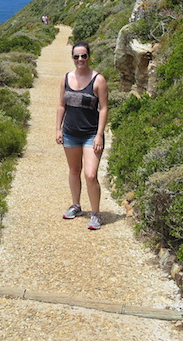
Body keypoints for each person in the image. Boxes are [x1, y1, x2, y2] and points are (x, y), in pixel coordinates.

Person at [55, 41, 109, 230]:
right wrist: (58, 129)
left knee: (90, 174)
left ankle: (95, 214)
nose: (80, 59)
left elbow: (104, 108)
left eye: (83, 56)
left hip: (91, 134)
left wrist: (99, 134)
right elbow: (62, 105)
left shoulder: (98, 80)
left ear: (89, 56)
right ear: (72, 57)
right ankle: (76, 206)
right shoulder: (66, 78)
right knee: (74, 170)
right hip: (70, 133)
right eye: (76, 56)